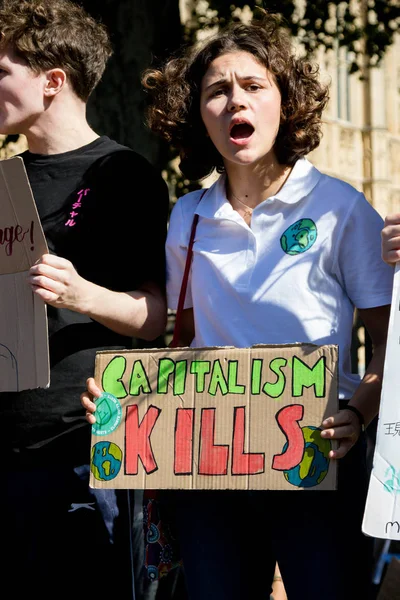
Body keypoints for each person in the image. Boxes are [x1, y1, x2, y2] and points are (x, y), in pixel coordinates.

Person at [82, 10, 394, 600]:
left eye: (253, 86)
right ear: (199, 115)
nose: (234, 102)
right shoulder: (186, 217)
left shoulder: (340, 208)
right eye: (216, 91)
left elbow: (390, 343)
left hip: (317, 458)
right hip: (211, 471)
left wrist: (359, 412)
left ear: (285, 103)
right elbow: (182, 341)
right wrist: (128, 398)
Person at [0, 1, 169, 599]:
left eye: (0, 71)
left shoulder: (124, 175)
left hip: (78, 446)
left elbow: (156, 320)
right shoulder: (4, 179)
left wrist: (81, 293)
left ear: (52, 82)